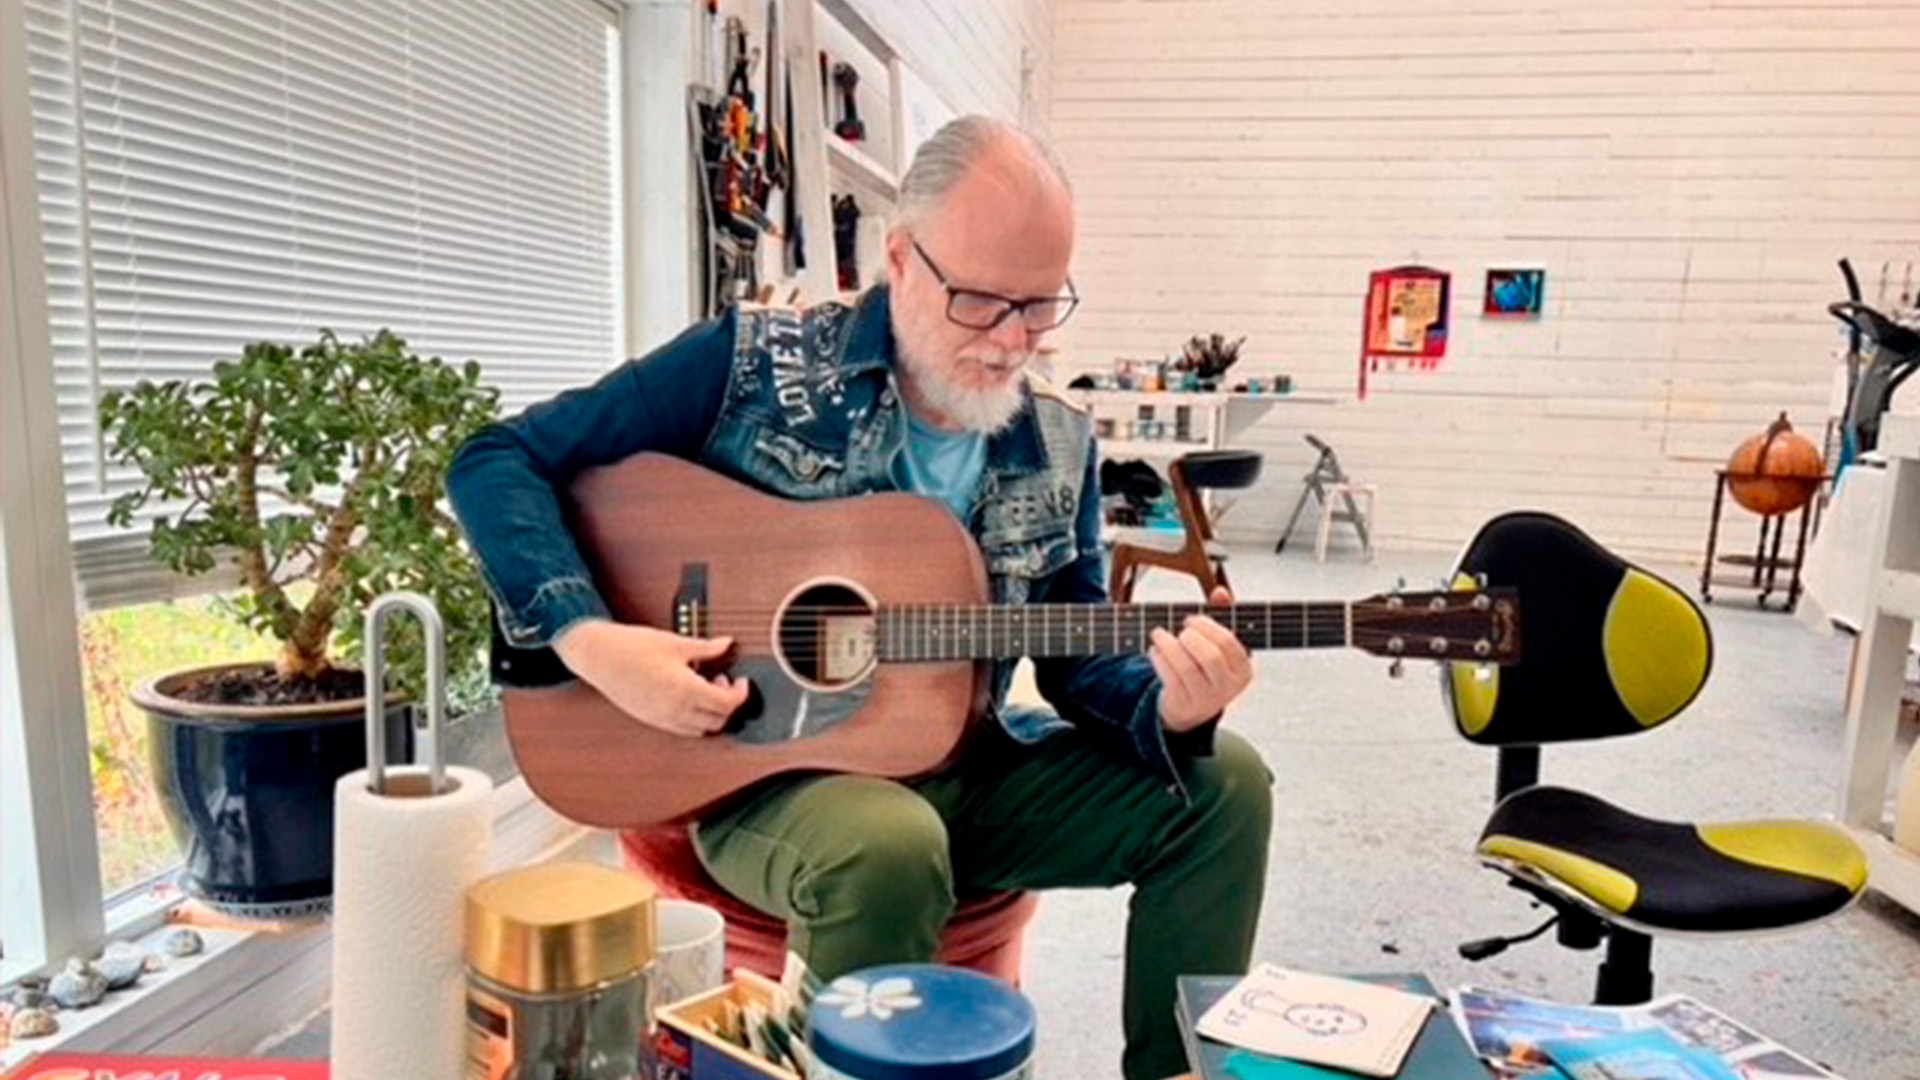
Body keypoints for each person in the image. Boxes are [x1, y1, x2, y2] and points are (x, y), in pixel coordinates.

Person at [448, 115, 1273, 1080]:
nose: (1012, 342)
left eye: (1041, 306)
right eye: (979, 301)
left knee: (1227, 788)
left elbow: (1081, 650)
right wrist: (596, 643)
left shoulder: (1057, 442)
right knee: (885, 842)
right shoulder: (749, 367)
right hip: (761, 776)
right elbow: (496, 460)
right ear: (898, 258)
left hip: (967, 762)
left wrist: (1162, 702)